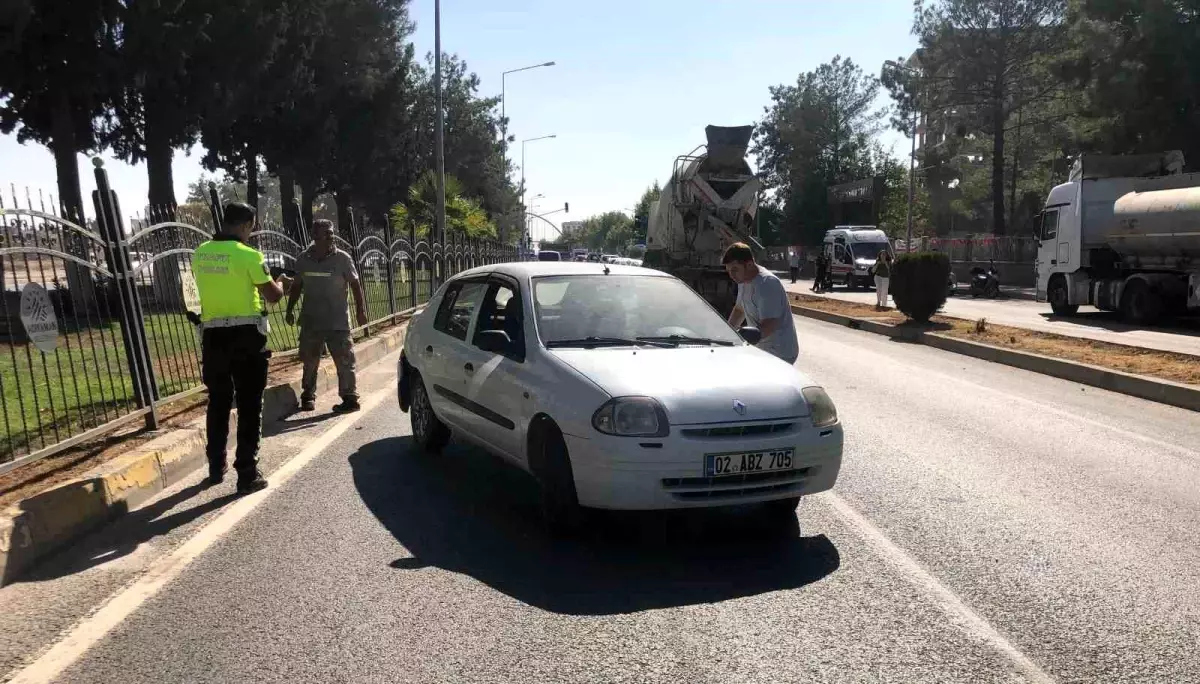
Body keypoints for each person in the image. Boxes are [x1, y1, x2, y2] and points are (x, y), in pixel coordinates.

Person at [193, 202, 292, 493]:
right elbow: (272, 296)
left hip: (213, 337)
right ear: (247, 224)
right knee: (249, 404)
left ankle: (216, 464)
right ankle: (247, 473)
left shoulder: (200, 254)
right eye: (252, 227)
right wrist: (282, 283)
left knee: (218, 401)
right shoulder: (250, 256)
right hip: (246, 337)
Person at [285, 219, 369, 413]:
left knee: (345, 361)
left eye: (332, 232)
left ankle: (350, 398)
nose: (331, 236)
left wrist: (360, 310)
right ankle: (308, 396)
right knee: (310, 361)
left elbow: (356, 285)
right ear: (314, 237)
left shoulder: (343, 259)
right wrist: (290, 309)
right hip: (312, 321)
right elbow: (297, 286)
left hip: (338, 321)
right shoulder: (303, 260)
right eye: (326, 233)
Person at [723, 242, 799, 364]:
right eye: (729, 271)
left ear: (749, 264)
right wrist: (726, 334)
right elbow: (739, 310)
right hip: (761, 349)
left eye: (735, 270)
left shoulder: (766, 284)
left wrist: (744, 339)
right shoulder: (743, 280)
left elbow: (770, 324)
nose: (731, 275)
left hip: (779, 353)